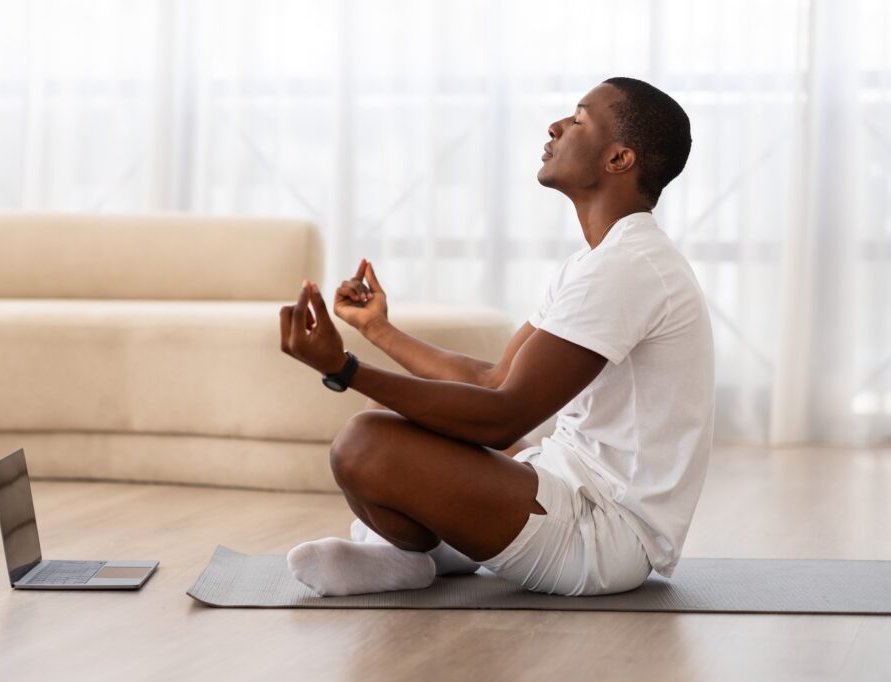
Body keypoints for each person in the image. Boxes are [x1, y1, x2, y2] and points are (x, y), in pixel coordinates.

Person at [278, 76, 714, 597]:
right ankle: (415, 558)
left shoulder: (630, 267)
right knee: (395, 403)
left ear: (619, 159)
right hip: (563, 481)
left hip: (605, 535)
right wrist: (377, 329)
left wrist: (342, 369)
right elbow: (492, 379)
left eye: (578, 120)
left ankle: (405, 556)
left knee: (364, 442)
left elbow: (504, 414)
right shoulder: (597, 261)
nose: (554, 127)